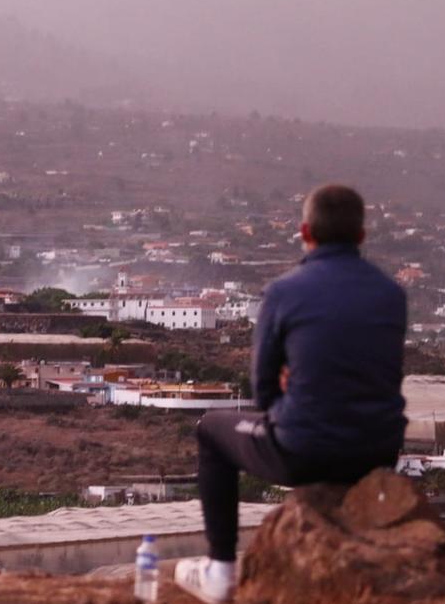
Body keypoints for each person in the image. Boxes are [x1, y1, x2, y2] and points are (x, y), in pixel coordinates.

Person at [174, 184, 408, 604]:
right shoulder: (391, 294)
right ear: (361, 236)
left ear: (305, 231)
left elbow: (262, 389)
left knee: (210, 428)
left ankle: (221, 571)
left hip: (304, 452)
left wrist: (292, 403)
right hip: (378, 452)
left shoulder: (286, 291)